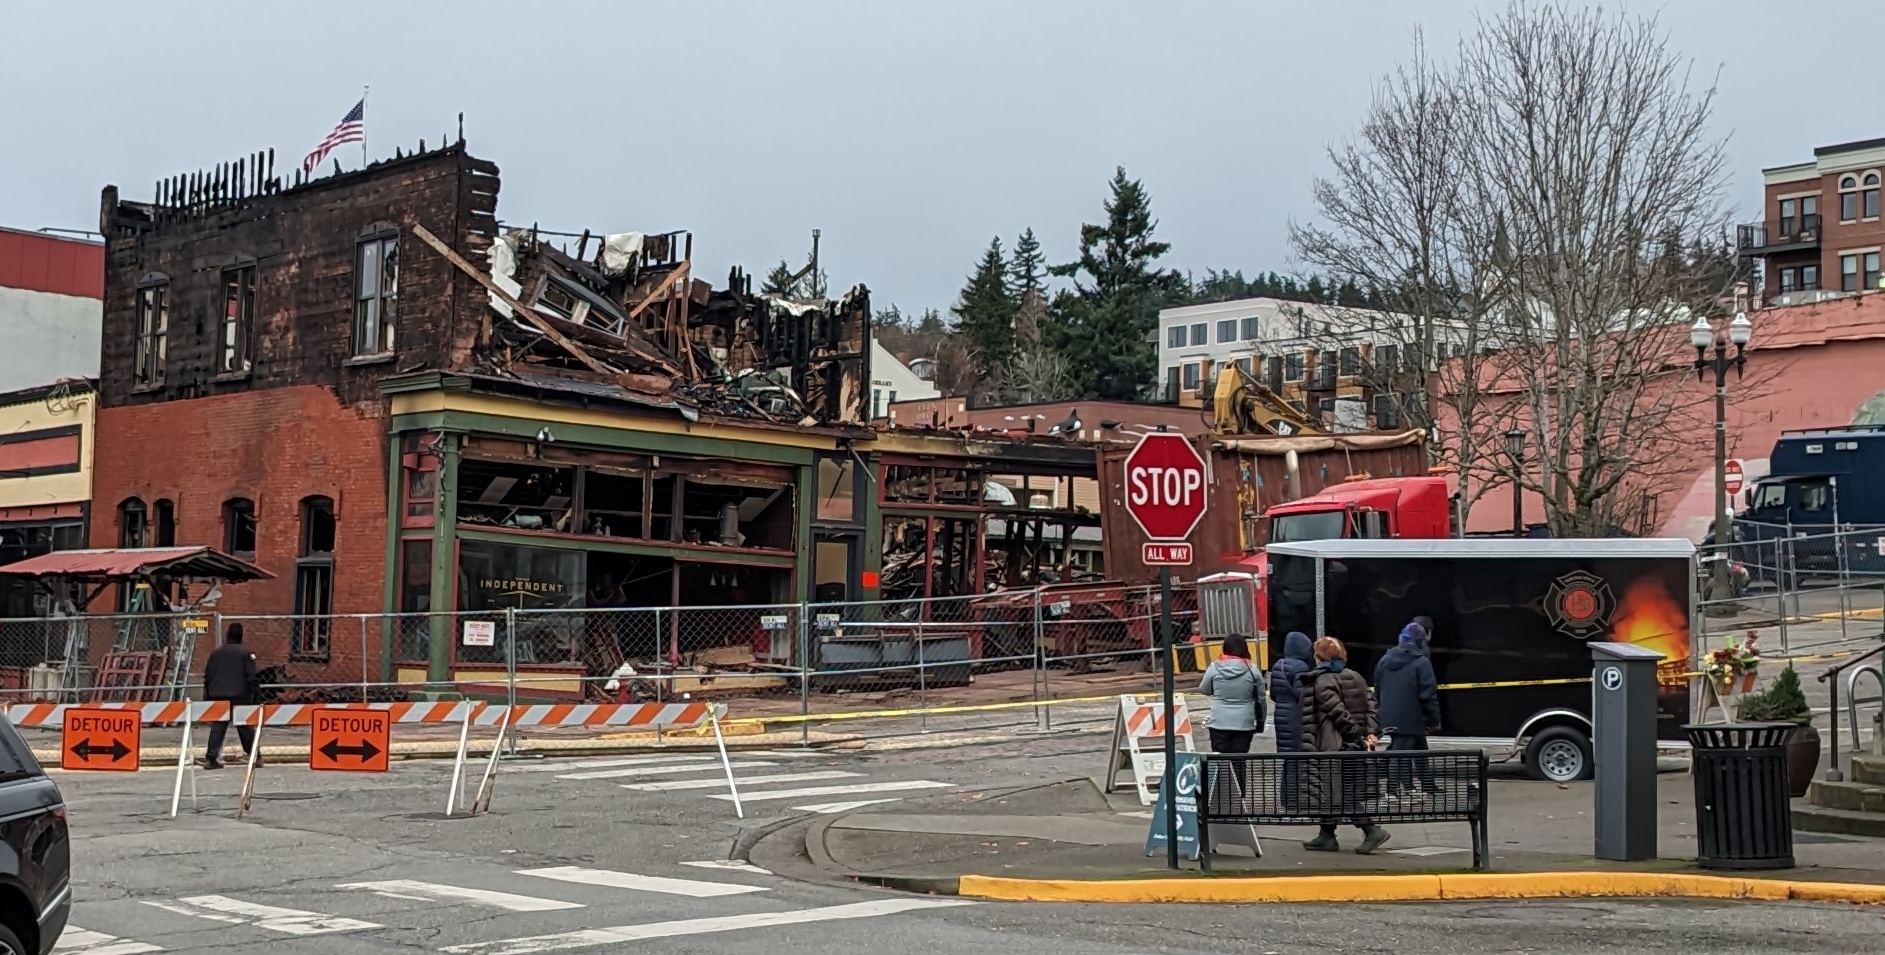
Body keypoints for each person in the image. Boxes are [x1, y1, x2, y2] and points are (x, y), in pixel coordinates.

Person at [1300, 635, 1389, 854]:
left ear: (1320, 657)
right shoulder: (1356, 677)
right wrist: (1369, 733)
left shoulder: (1322, 681)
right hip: (1354, 747)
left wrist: (1354, 733)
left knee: (1337, 793)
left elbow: (1337, 712)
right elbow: (1372, 706)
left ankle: (1371, 830)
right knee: (1334, 791)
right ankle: (1326, 835)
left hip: (1333, 745)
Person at [1374, 621, 1443, 795]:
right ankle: (1391, 791)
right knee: (1400, 753)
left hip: (1390, 714)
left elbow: (1377, 686)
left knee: (1418, 749)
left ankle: (1426, 786)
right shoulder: (1421, 663)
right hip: (1412, 716)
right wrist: (1434, 720)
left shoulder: (1385, 659)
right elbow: (1428, 695)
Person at [201, 623, 261, 770]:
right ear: (241, 635)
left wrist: (208, 695)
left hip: (218, 694)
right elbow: (251, 676)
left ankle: (211, 757)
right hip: (239, 694)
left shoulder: (215, 653)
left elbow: (208, 675)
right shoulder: (244, 654)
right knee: (245, 727)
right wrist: (256, 696)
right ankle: (254, 755)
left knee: (218, 726)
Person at [1269, 631, 1315, 809]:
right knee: (1298, 758)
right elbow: (1302, 694)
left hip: (1281, 716)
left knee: (1288, 758)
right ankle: (1295, 800)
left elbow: (1273, 693)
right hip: (1296, 717)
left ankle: (1286, 798)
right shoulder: (1300, 667)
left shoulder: (1278, 665)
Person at [1198, 634, 1264, 754]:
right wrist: (1261, 722)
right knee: (1239, 760)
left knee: (1220, 761)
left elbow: (1204, 689)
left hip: (1219, 721)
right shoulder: (1253, 670)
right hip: (1244, 722)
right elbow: (1261, 699)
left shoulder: (1214, 668)